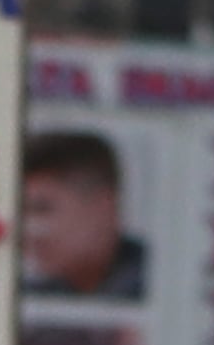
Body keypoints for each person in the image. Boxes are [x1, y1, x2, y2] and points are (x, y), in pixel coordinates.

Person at [22, 129, 145, 303]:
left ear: (104, 207)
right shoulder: (40, 297)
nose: (30, 228)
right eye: (22, 212)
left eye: (42, 208)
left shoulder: (163, 283)